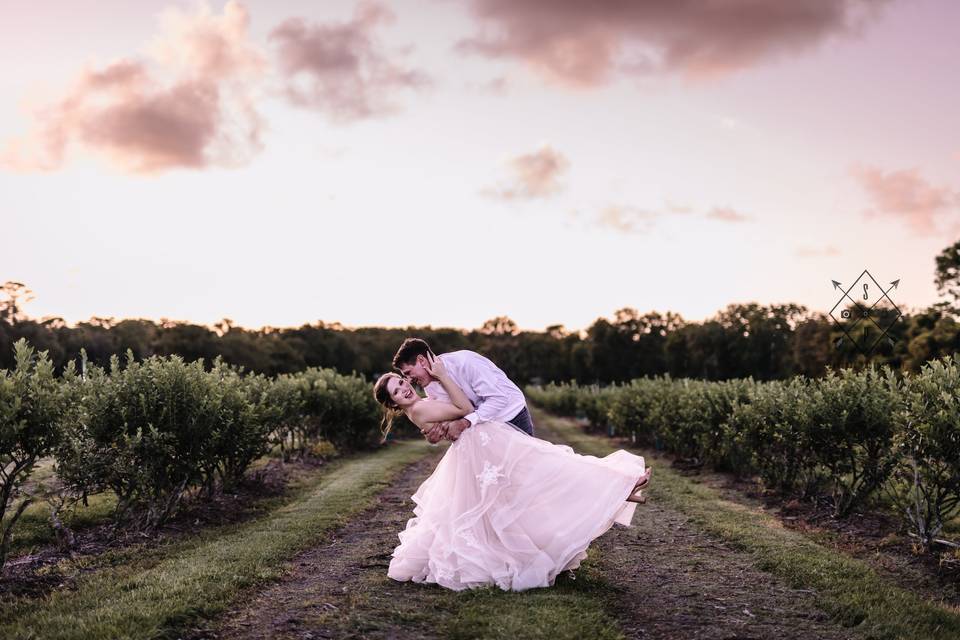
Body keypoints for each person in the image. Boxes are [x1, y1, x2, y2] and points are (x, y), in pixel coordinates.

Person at [372, 353, 651, 592]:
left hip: (482, 445)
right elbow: (464, 409)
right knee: (543, 474)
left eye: (402, 380)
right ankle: (619, 487)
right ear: (394, 403)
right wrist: (444, 381)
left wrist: (443, 425)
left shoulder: (436, 388)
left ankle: (620, 488)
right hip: (481, 449)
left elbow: (455, 416)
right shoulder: (421, 405)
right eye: (397, 389)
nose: (405, 386)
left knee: (535, 478)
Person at [391, 337, 534, 443]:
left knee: (525, 473)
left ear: (422, 361)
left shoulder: (466, 362)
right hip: (483, 428)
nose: (409, 380)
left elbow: (498, 399)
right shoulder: (429, 386)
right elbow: (454, 413)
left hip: (511, 416)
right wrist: (436, 431)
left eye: (409, 373)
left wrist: (464, 422)